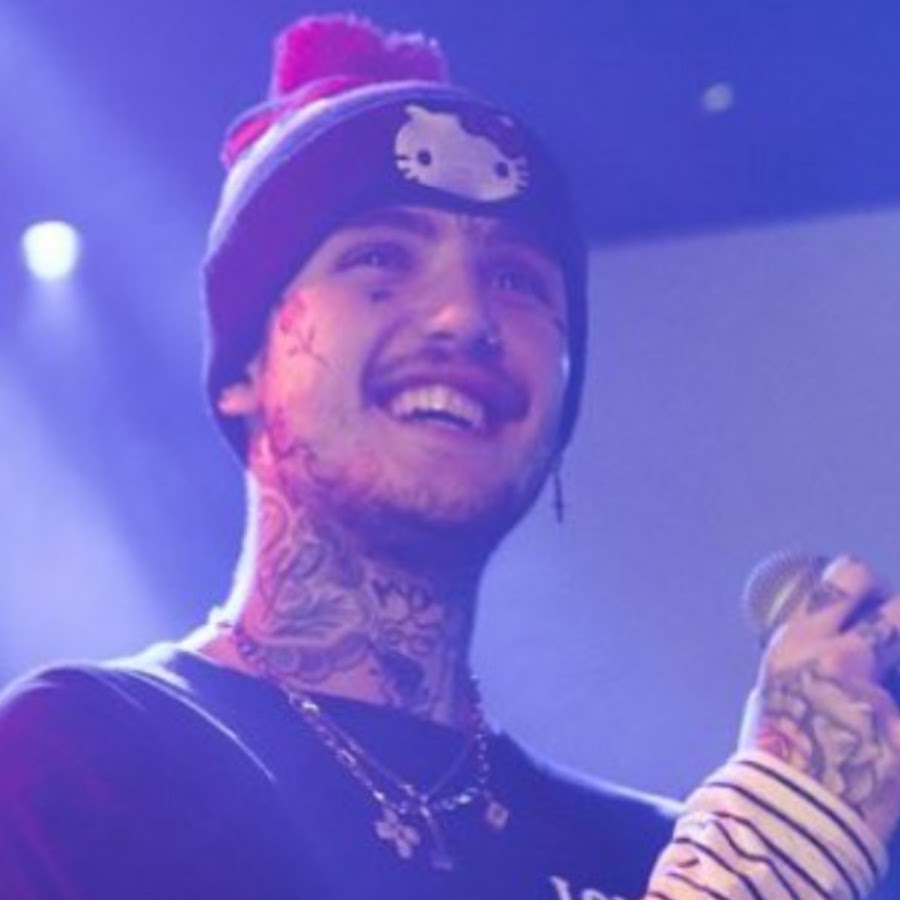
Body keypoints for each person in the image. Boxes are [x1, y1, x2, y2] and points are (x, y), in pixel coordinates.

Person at [1, 13, 899, 899]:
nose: (465, 318)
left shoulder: (644, 850)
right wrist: (778, 849)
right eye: (379, 257)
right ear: (244, 365)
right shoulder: (75, 760)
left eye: (516, 279)